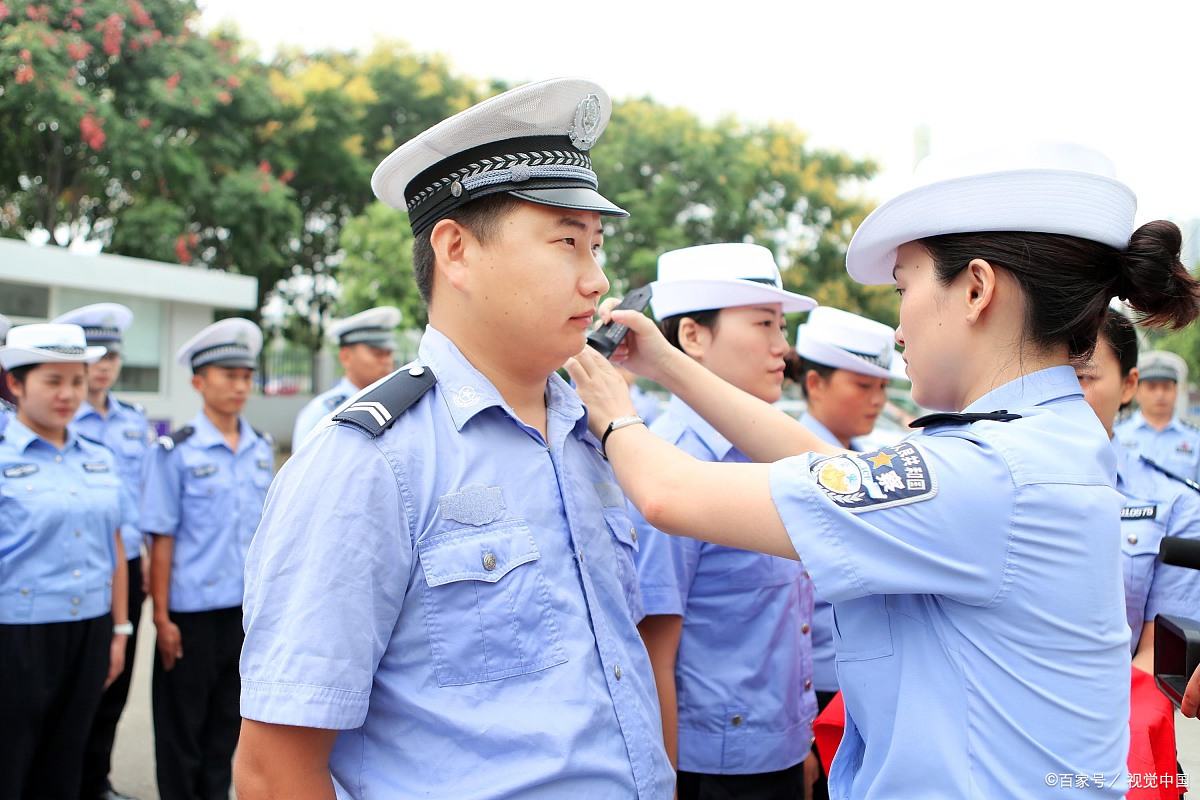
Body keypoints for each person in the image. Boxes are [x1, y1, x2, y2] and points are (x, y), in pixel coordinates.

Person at [566, 141, 1200, 798]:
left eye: (904, 288)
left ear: (977, 288)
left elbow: (671, 494)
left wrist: (612, 410)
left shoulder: (991, 472)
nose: (897, 330)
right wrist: (667, 366)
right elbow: (828, 468)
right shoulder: (1037, 442)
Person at [234, 78, 674, 799]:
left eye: (598, 246)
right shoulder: (371, 462)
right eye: (567, 242)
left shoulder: (593, 436)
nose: (597, 281)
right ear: (456, 251)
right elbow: (275, 767)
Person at [632, 242, 820, 799]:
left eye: (782, 326)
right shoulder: (670, 462)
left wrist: (799, 743)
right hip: (710, 771)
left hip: (779, 752)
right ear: (693, 336)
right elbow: (652, 653)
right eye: (764, 323)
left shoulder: (770, 451)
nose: (782, 347)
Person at [140, 317, 273, 800]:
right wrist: (160, 615)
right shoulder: (175, 451)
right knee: (181, 733)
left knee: (227, 728)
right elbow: (162, 538)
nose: (240, 386)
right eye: (227, 375)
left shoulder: (259, 448)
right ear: (198, 382)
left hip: (241, 614)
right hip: (189, 614)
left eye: (245, 376)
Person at [0, 322, 130, 799]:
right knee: (10, 763)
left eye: (76, 381)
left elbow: (114, 546)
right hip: (16, 633)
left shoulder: (99, 458)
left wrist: (120, 630)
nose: (67, 394)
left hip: (90, 630)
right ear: (16, 383)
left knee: (65, 765)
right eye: (52, 381)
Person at [790, 305, 908, 799]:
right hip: (805, 686)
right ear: (814, 383)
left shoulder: (876, 464)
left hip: (864, 683)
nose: (878, 400)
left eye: (883, 386)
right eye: (862, 385)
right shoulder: (780, 463)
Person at [53, 303, 153, 800]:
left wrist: (148, 561)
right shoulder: (58, 421)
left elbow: (145, 498)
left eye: (113, 354)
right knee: (73, 683)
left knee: (116, 679)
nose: (105, 364)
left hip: (127, 566)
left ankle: (96, 779)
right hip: (75, 562)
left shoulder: (133, 422)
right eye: (96, 355)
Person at [291, 306, 402, 448]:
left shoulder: (397, 407)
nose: (387, 361)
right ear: (345, 357)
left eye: (389, 353)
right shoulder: (322, 413)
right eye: (378, 353)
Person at [1115, 351, 1200, 482]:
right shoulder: (1117, 434)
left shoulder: (1194, 439)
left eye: (1166, 387)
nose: (1160, 394)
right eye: (1152, 387)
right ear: (1136, 392)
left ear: (1176, 392)